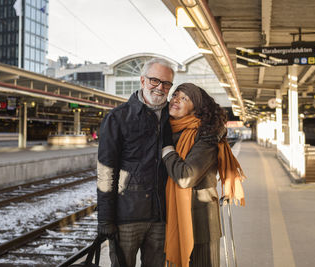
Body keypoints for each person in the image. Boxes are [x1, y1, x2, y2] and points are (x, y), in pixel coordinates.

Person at [97, 58, 175, 267]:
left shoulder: (174, 119)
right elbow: (106, 171)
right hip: (127, 216)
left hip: (161, 216)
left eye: (166, 83)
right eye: (154, 80)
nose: (160, 87)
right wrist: (105, 218)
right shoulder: (118, 118)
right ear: (142, 80)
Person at [161, 83, 246, 267]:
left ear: (196, 107)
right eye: (175, 95)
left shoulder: (206, 135)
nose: (176, 100)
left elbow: (186, 176)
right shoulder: (169, 129)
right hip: (171, 218)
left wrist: (167, 150)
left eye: (184, 98)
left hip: (201, 223)